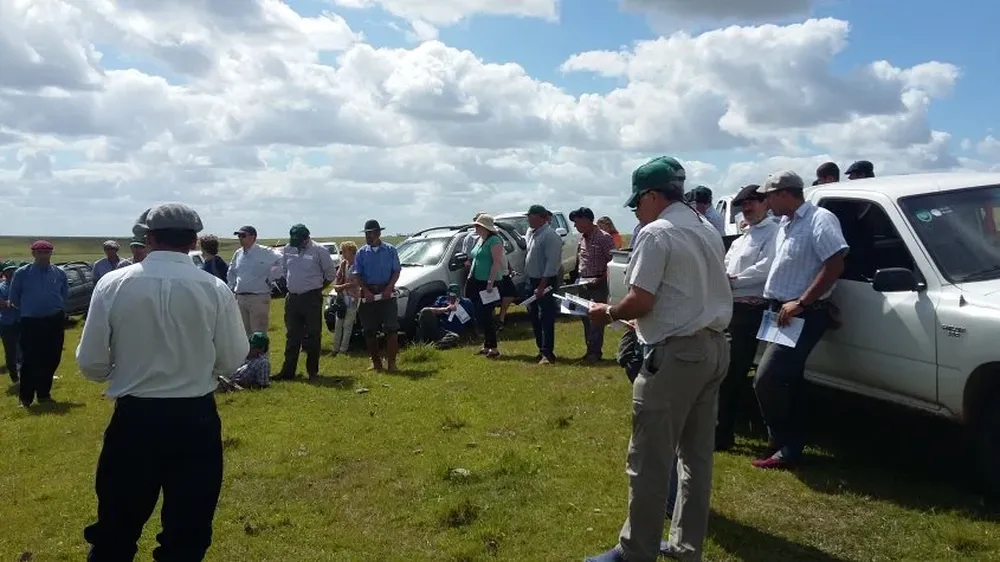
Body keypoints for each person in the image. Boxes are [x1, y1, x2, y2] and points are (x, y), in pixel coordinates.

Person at [75, 202, 248, 561]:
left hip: (135, 418)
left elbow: (90, 363)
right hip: (195, 418)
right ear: (194, 240)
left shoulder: (114, 284)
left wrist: (122, 371)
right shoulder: (214, 288)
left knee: (116, 530)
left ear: (149, 238)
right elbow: (232, 359)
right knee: (187, 533)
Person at [585, 155, 732, 562]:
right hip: (715, 348)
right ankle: (687, 548)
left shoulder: (656, 233)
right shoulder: (705, 228)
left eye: (637, 203)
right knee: (696, 460)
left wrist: (608, 313)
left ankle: (636, 552)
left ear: (652, 195)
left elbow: (641, 300)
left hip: (677, 356)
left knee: (649, 460)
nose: (636, 210)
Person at [752, 170, 848, 470]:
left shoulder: (820, 220)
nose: (766, 203)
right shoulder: (785, 224)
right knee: (788, 380)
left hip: (802, 313)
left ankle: (786, 442)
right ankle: (786, 442)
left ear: (785, 193)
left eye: (769, 196)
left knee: (767, 378)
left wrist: (802, 302)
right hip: (782, 313)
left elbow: (835, 264)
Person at [716, 183, 779, 451]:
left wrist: (734, 281)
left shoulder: (774, 233)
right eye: (744, 204)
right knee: (724, 371)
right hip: (731, 309)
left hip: (752, 309)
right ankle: (720, 430)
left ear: (766, 203)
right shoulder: (743, 238)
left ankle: (722, 434)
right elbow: (726, 265)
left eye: (753, 202)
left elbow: (767, 269)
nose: (748, 208)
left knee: (732, 372)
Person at [10, 240, 69, 408]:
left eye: (47, 252)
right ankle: (26, 398)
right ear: (33, 254)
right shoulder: (22, 273)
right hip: (31, 322)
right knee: (29, 359)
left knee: (51, 357)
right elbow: (14, 298)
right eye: (40, 252)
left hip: (54, 321)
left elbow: (64, 295)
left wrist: (55, 308)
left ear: (51, 253)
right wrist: (30, 308)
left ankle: (44, 394)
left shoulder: (59, 273)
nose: (44, 255)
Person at [274, 224, 337, 381]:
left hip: (311, 298)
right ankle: (288, 371)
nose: (296, 244)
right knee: (292, 335)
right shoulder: (289, 249)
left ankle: (312, 372)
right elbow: (284, 269)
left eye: (299, 241)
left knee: (313, 335)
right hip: (292, 298)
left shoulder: (319, 251)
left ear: (306, 238)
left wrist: (316, 288)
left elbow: (330, 274)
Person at [353, 219, 402, 372]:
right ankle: (376, 362)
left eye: (371, 233)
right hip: (368, 292)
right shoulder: (361, 253)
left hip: (386, 291)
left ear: (379, 233)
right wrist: (366, 291)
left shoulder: (390, 250)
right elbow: (357, 274)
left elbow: (396, 271)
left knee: (391, 329)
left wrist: (389, 288)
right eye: (367, 233)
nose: (368, 236)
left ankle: (392, 363)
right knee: (369, 330)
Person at [570, 207, 615, 362]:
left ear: (587, 220)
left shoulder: (604, 237)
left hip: (598, 283)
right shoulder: (582, 238)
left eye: (577, 222)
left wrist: (601, 279)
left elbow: (612, 263)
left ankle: (595, 352)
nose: (575, 226)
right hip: (583, 282)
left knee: (596, 319)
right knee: (585, 318)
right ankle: (590, 350)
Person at [524, 205, 562, 365]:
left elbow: (551, 264)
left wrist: (542, 286)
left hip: (545, 281)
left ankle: (548, 353)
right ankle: (541, 349)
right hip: (531, 279)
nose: (529, 220)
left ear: (541, 217)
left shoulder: (550, 236)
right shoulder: (532, 234)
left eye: (531, 217)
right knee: (534, 316)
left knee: (545, 316)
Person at [228, 225, 281, 337]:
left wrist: (271, 277)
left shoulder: (265, 252)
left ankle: (261, 355)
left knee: (259, 333)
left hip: (258, 297)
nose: (240, 238)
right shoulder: (238, 253)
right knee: (243, 333)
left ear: (253, 237)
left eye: (243, 235)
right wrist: (232, 287)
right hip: (240, 297)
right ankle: (248, 354)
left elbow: (281, 261)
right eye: (239, 236)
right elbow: (232, 271)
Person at [466, 214, 506, 359]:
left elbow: (496, 262)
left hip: (489, 282)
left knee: (486, 314)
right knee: (480, 314)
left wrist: (490, 281)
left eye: (477, 225)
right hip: (476, 280)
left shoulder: (495, 240)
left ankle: (494, 348)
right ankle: (487, 344)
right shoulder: (480, 240)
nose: (475, 228)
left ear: (484, 227)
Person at [417, 283, 475, 348]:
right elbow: (427, 310)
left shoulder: (466, 303)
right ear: (448, 294)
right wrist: (445, 309)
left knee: (454, 337)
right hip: (440, 329)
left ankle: (432, 346)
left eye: (456, 295)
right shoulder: (441, 300)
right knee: (425, 312)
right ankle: (427, 342)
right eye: (452, 295)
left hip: (452, 334)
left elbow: (472, 319)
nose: (454, 298)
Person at [331, 241, 361, 356]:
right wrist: (337, 285)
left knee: (347, 324)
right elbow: (337, 277)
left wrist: (342, 286)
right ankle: (335, 348)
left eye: (344, 251)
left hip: (353, 297)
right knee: (338, 323)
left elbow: (357, 282)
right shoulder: (343, 264)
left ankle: (343, 349)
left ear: (350, 251)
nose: (342, 253)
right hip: (342, 297)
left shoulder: (358, 264)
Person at [0, 261, 22, 385]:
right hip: (7, 323)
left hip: (21, 321)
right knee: (10, 352)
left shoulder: (22, 286)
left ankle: (25, 373)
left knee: (25, 349)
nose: (11, 273)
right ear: (4, 274)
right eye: (8, 271)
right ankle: (14, 378)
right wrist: (12, 303)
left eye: (13, 271)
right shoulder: (1, 287)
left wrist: (10, 303)